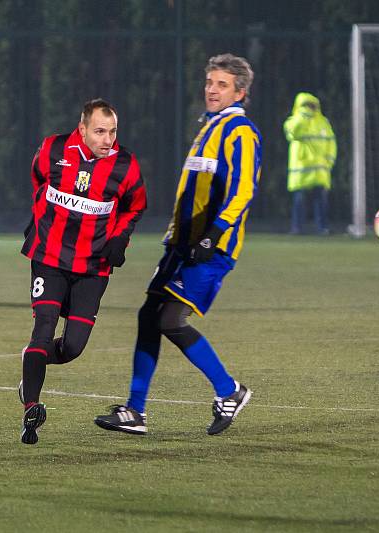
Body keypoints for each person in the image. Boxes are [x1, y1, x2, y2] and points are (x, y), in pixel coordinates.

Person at [94, 53, 261, 437]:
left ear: (240, 91)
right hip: (181, 246)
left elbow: (243, 190)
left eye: (222, 84)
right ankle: (135, 411)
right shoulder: (208, 128)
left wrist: (213, 234)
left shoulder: (241, 132)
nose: (212, 89)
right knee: (148, 315)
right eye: (209, 82)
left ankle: (229, 390)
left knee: (170, 319)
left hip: (210, 248)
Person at [19, 98, 147, 445]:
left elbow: (135, 206)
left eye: (113, 131)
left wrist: (120, 238)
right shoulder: (54, 148)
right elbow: (37, 179)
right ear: (83, 129)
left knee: (73, 347)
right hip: (49, 257)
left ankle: (32, 365)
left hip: (93, 267)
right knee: (43, 329)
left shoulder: (125, 165)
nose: (108, 139)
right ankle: (31, 406)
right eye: (100, 131)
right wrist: (42, 219)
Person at [284, 92, 336, 235]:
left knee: (321, 200)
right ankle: (297, 228)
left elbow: (331, 142)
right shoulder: (294, 120)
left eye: (311, 105)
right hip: (300, 169)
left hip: (320, 169)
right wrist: (302, 116)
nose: (309, 108)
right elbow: (292, 133)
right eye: (305, 105)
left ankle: (322, 228)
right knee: (299, 199)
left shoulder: (323, 122)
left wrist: (329, 161)